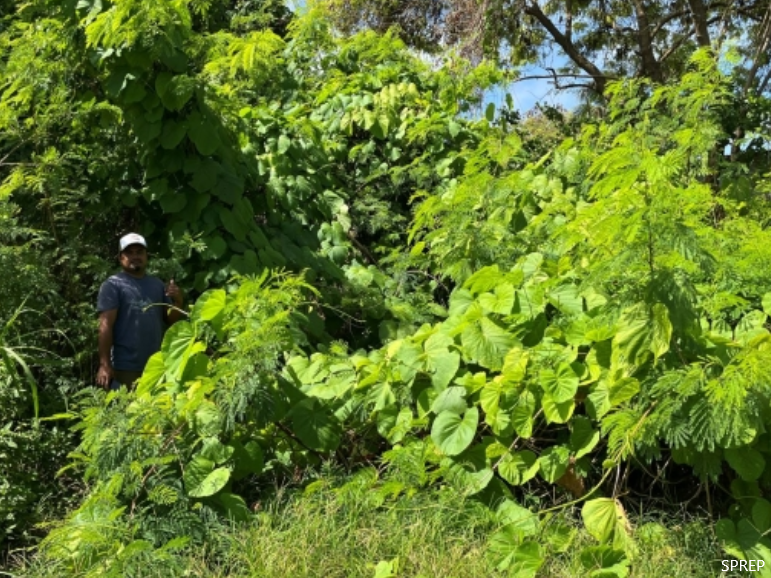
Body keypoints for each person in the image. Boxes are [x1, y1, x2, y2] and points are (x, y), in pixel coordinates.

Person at [96, 233, 184, 389]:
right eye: (129, 252)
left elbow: (170, 320)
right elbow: (105, 325)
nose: (135, 256)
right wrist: (104, 365)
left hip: (155, 366)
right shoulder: (113, 285)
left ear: (146, 256)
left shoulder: (156, 285)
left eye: (139, 252)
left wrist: (178, 301)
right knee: (124, 411)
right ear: (120, 257)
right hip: (124, 367)